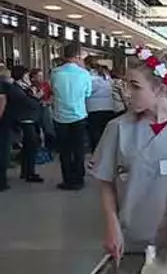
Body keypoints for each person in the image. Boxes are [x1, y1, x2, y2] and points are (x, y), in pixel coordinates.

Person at [90, 47, 167, 259]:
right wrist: (111, 225)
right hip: (130, 239)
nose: (126, 93)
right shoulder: (117, 128)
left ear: (160, 89)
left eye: (135, 87)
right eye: (125, 85)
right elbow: (106, 181)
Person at [51, 43, 92, 190]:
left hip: (60, 117)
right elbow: (88, 93)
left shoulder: (55, 73)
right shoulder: (84, 74)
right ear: (77, 56)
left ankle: (67, 180)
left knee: (65, 150)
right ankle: (79, 179)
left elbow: (53, 91)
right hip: (79, 115)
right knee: (78, 149)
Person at [11, 66, 44, 182]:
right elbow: (26, 102)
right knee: (31, 146)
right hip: (25, 120)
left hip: (30, 119)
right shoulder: (16, 89)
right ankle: (30, 172)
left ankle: (26, 171)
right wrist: (36, 97)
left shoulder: (24, 87)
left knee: (28, 146)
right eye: (26, 75)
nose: (28, 77)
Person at [84, 58, 116, 153]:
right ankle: (106, 151)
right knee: (105, 132)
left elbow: (87, 91)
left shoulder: (89, 77)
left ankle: (96, 152)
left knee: (94, 132)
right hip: (109, 107)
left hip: (93, 108)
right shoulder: (107, 77)